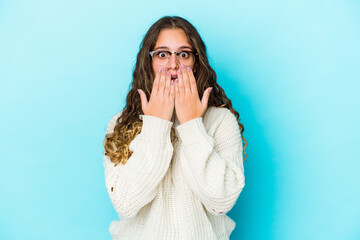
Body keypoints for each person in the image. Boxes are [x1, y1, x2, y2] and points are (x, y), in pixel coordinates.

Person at [103, 15, 247, 240]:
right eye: (162, 54)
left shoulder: (220, 121)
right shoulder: (120, 124)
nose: (173, 64)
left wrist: (191, 124)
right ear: (148, 63)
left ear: (196, 62)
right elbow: (125, 203)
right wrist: (156, 125)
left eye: (183, 54)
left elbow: (221, 202)